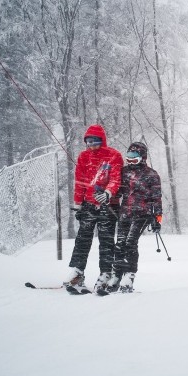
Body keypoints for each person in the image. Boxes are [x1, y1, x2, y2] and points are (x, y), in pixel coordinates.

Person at [64, 124, 123, 294]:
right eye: (88, 142)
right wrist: (78, 203)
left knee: (106, 242)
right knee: (82, 240)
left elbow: (116, 179)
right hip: (89, 206)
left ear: (102, 140)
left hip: (108, 205)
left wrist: (108, 193)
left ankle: (106, 274)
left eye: (95, 142)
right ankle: (77, 273)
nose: (91, 145)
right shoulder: (83, 157)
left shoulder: (113, 155)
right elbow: (80, 182)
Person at [105, 141, 162, 294]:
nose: (130, 160)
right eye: (129, 157)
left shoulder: (151, 175)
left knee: (130, 242)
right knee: (120, 244)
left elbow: (156, 198)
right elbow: (116, 190)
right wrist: (108, 196)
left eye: (134, 157)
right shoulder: (124, 172)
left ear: (142, 157)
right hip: (125, 213)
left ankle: (129, 276)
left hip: (143, 214)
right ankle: (116, 276)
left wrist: (157, 218)